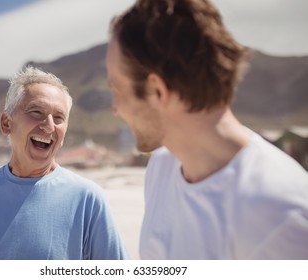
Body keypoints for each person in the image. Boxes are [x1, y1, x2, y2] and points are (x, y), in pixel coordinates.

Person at [106, 0, 308, 259]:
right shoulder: (161, 169)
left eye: (117, 90)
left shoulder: (281, 216)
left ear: (157, 91)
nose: (115, 108)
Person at [0, 66, 128, 260]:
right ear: (6, 123)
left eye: (59, 117)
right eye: (36, 112)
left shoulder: (88, 199)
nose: (49, 126)